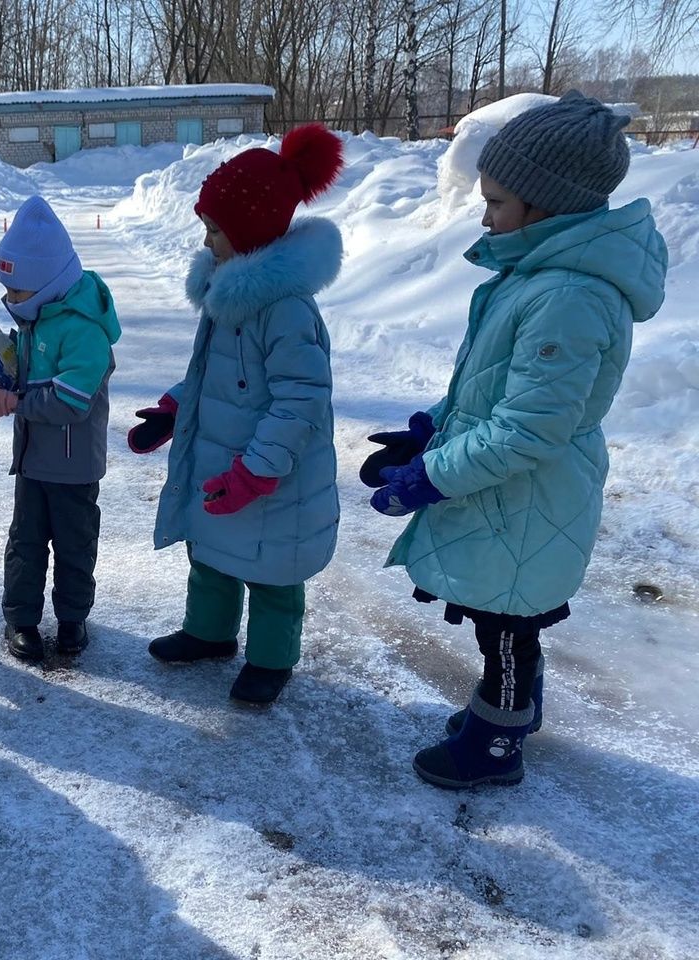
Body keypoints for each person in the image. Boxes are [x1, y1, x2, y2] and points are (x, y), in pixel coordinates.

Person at [366, 92, 668, 789]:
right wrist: (427, 433)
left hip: (526, 495)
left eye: (497, 201)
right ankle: (509, 712)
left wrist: (431, 477)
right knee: (505, 619)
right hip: (511, 491)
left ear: (546, 204)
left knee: (505, 628)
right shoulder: (535, 277)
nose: (484, 215)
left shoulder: (569, 296)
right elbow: (489, 383)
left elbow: (528, 428)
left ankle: (496, 745)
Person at [130, 126, 344, 705]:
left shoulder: (286, 311)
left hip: (272, 472)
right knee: (212, 554)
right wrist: (175, 408)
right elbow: (210, 372)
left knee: (273, 572)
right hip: (221, 458)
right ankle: (209, 632)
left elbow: (300, 399)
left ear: (250, 232)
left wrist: (259, 469)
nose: (208, 241)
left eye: (216, 230)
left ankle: (272, 659)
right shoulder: (228, 296)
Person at [0, 196, 120, 663]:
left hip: (74, 468)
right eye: (6, 293)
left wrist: (11, 403)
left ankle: (72, 619)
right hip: (32, 463)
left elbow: (71, 400)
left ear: (50, 285)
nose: (11, 302)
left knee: (74, 546)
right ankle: (21, 619)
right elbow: (31, 361)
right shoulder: (39, 316)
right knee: (25, 543)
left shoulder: (84, 330)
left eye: (17, 294)